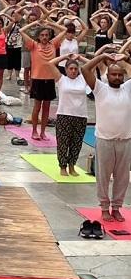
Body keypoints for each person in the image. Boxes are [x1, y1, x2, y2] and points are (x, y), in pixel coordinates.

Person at [82, 51, 131, 222]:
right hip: (104, 140)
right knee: (103, 176)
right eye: (113, 74)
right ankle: (104, 207)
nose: (117, 77)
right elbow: (85, 68)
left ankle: (117, 207)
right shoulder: (100, 88)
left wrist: (125, 59)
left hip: (125, 140)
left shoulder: (128, 88)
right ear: (107, 75)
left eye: (119, 74)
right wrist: (103, 56)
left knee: (123, 178)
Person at [20, 20, 66, 140]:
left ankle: (43, 132)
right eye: (42, 35)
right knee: (37, 107)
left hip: (50, 80)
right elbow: (21, 30)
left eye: (46, 35)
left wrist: (49, 24)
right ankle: (34, 131)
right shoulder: (33, 45)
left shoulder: (53, 44)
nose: (44, 37)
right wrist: (34, 23)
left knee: (47, 108)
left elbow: (64, 30)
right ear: (38, 36)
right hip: (37, 80)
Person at [46, 54, 88, 177]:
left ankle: (72, 165)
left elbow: (93, 64)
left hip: (80, 115)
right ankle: (63, 166)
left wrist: (79, 58)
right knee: (63, 142)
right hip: (64, 115)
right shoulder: (61, 79)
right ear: (66, 70)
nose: (73, 71)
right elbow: (50, 64)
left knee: (76, 142)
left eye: (75, 69)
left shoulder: (83, 79)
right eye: (71, 69)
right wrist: (65, 57)